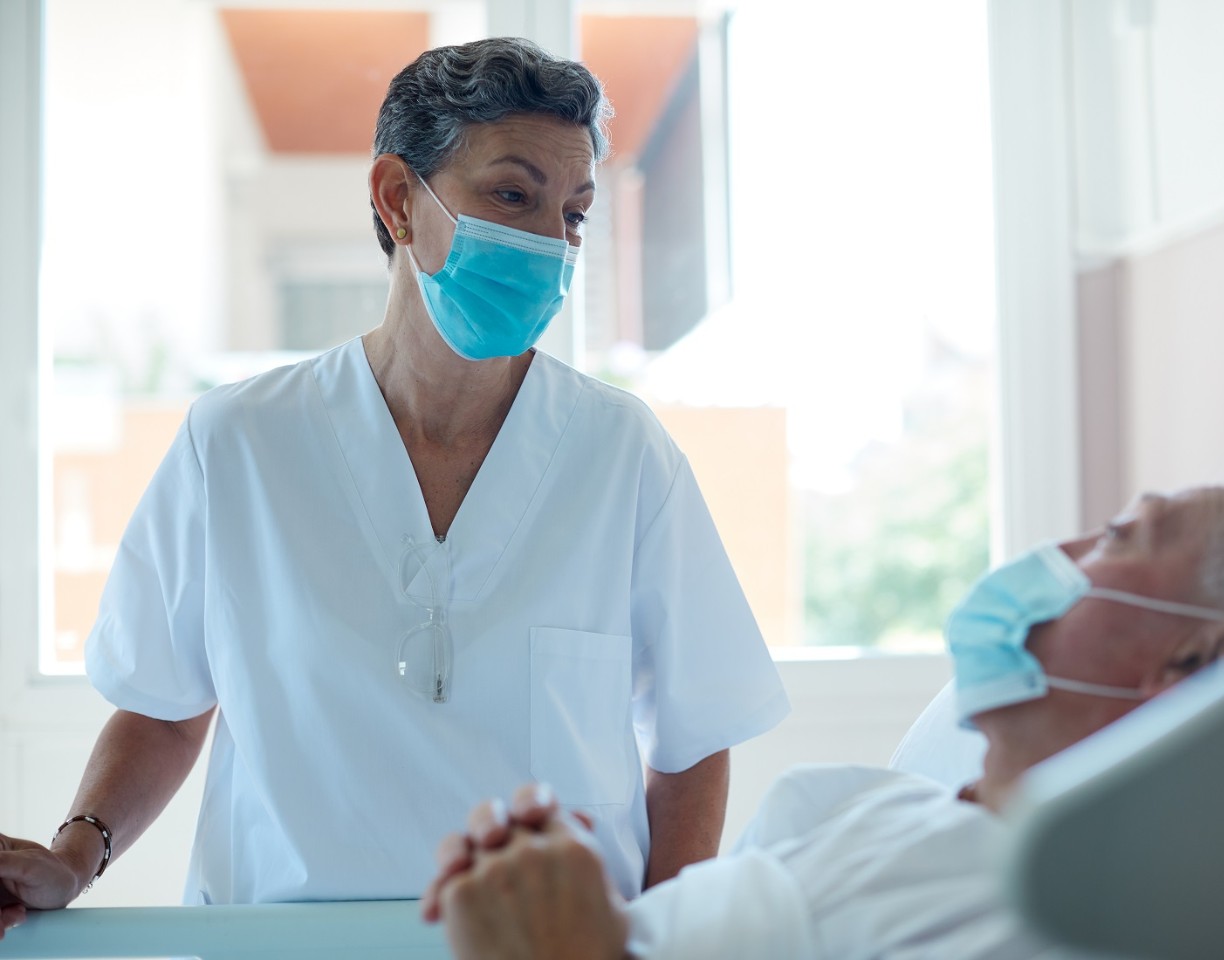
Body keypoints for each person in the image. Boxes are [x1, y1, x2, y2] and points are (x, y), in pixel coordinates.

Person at [0, 37, 788, 923]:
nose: (547, 242)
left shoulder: (622, 453)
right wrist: (73, 859)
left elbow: (691, 740)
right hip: (284, 944)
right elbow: (164, 710)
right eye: (511, 195)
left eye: (572, 214)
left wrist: (663, 942)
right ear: (397, 198)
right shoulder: (238, 445)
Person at [421, 485, 1224, 960]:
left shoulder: (1032, 914)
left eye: (1118, 537)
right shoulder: (910, 817)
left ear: (1203, 664)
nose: (1058, 554)